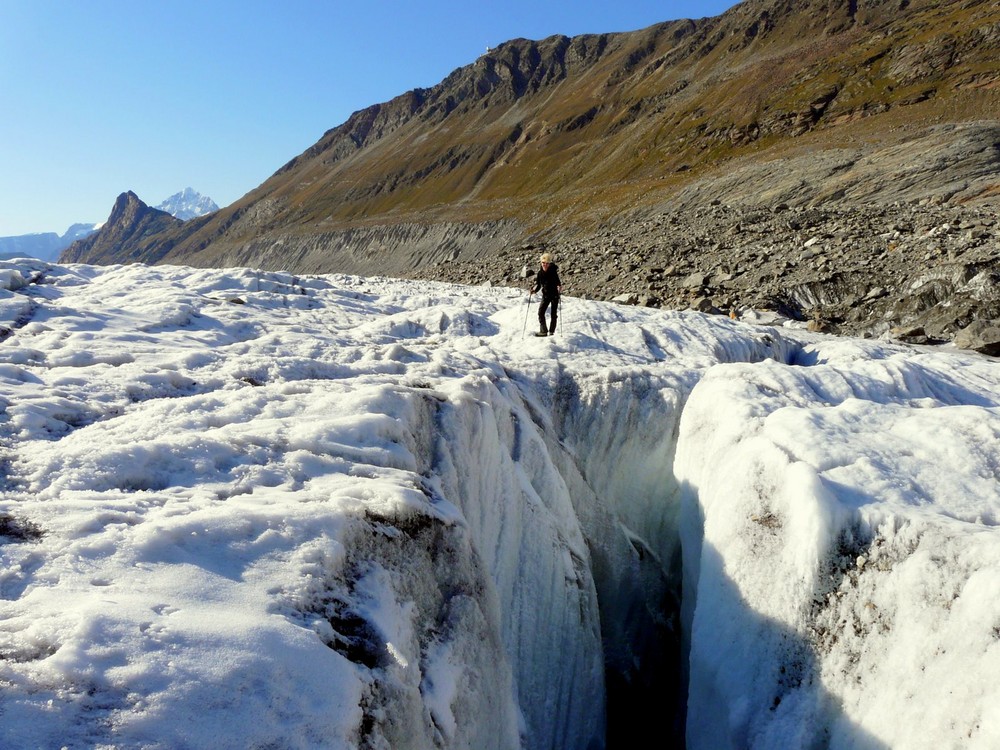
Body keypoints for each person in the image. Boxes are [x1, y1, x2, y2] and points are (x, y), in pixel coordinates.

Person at [530, 252, 562, 336]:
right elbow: (539, 285)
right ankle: (544, 331)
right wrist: (534, 291)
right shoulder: (540, 273)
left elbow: (558, 282)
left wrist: (559, 286)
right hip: (546, 295)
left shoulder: (553, 272)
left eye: (547, 263)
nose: (545, 264)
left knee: (553, 314)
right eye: (543, 263)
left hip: (554, 295)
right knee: (541, 312)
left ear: (549, 263)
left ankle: (551, 331)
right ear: (541, 262)